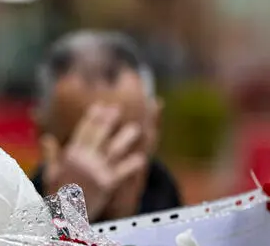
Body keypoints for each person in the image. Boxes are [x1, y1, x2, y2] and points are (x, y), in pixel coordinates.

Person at [32, 30, 182, 223]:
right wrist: (64, 220)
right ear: (43, 132)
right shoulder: (11, 214)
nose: (104, 178)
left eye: (128, 146)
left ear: (155, 122)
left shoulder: (172, 206)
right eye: (81, 146)